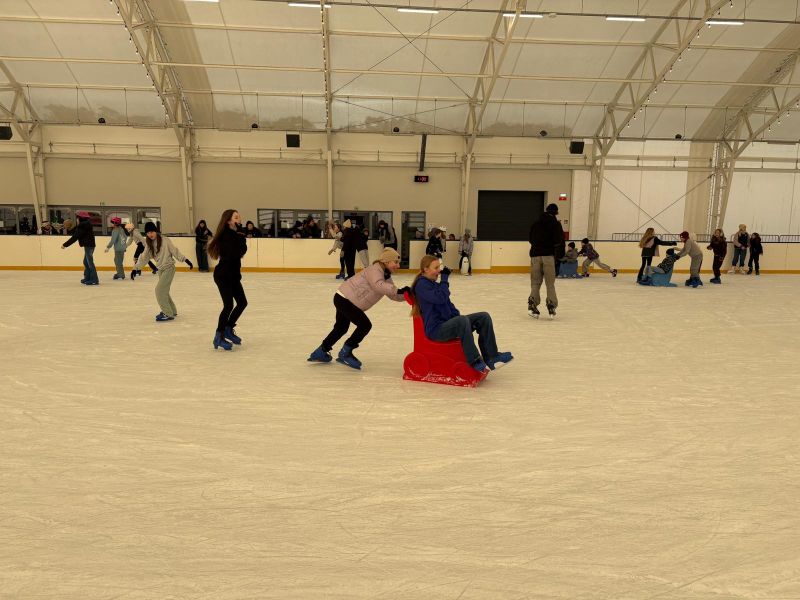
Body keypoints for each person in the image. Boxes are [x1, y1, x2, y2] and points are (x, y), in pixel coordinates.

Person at [308, 247, 408, 369]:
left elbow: (392, 294)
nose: (398, 265)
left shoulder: (385, 275)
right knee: (365, 325)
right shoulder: (375, 270)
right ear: (386, 262)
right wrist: (398, 290)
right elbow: (378, 285)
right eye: (396, 262)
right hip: (345, 299)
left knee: (341, 328)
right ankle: (345, 353)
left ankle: (320, 351)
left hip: (344, 298)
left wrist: (408, 296)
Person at [411, 255, 513, 373]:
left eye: (439, 267)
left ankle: (492, 357)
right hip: (436, 330)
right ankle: (474, 360)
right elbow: (440, 298)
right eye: (436, 268)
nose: (439, 271)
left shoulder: (434, 284)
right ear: (425, 269)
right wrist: (444, 280)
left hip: (446, 324)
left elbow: (448, 303)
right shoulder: (421, 285)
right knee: (462, 321)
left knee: (483, 317)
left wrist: (456, 317)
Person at [132, 222, 194, 321]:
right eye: (148, 233)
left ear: (156, 231)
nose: (150, 234)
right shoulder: (149, 244)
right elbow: (144, 257)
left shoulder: (165, 240)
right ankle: (172, 310)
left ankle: (168, 313)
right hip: (160, 270)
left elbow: (174, 251)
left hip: (169, 268)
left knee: (159, 291)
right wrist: (135, 268)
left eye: (152, 231)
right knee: (164, 291)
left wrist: (185, 260)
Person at [207, 209, 249, 350]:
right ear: (228, 221)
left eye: (239, 217)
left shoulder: (235, 234)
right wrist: (240, 236)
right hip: (223, 276)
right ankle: (218, 336)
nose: (239, 219)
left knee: (242, 303)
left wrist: (240, 236)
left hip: (233, 275)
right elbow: (236, 252)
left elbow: (242, 251)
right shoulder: (225, 235)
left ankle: (228, 329)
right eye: (236, 217)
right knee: (228, 305)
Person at [528, 203, 565, 319]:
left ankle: (532, 303)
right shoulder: (556, 224)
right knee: (550, 284)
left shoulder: (535, 223)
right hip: (548, 256)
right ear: (555, 213)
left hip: (535, 256)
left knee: (535, 283)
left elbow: (530, 239)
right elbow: (559, 240)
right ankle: (551, 304)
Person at [61, 211, 99, 285]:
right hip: (89, 245)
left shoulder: (83, 226)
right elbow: (77, 232)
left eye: (77, 218)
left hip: (88, 246)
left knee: (90, 263)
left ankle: (94, 279)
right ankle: (88, 277)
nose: (77, 220)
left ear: (81, 219)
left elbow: (75, 237)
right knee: (86, 262)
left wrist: (65, 245)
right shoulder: (85, 225)